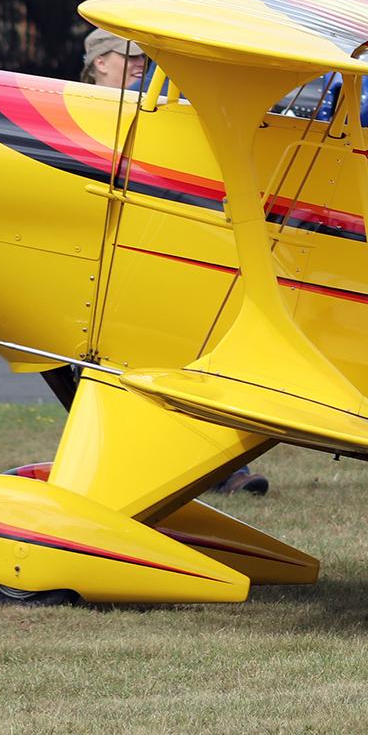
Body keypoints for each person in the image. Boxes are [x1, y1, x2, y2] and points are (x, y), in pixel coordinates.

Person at [75, 28, 263, 495]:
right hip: (94, 261)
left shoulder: (156, 115)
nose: (141, 65)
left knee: (183, 356)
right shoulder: (79, 114)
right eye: (129, 56)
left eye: (144, 58)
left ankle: (218, 467)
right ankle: (111, 463)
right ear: (100, 62)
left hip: (148, 256)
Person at [80, 28, 147, 89]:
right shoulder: (74, 101)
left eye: (143, 56)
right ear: (101, 63)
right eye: (131, 56)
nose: (143, 63)